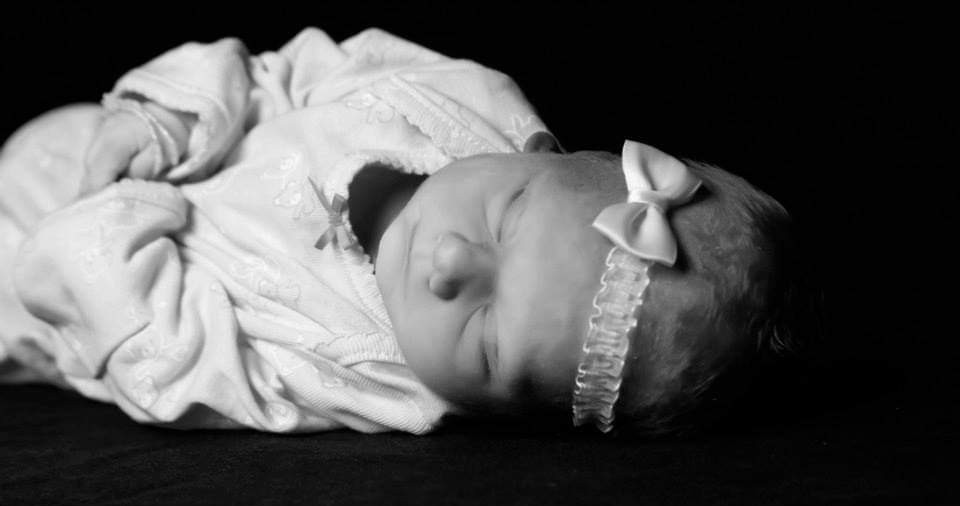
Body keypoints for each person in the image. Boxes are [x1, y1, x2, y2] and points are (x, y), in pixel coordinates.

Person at [0, 27, 798, 436]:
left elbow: (178, 367)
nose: (448, 263)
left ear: (504, 416)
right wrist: (171, 120)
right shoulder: (455, 100)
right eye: (508, 214)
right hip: (106, 137)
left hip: (44, 284)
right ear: (552, 154)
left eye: (488, 343)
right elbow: (283, 70)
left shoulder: (364, 378)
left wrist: (118, 221)